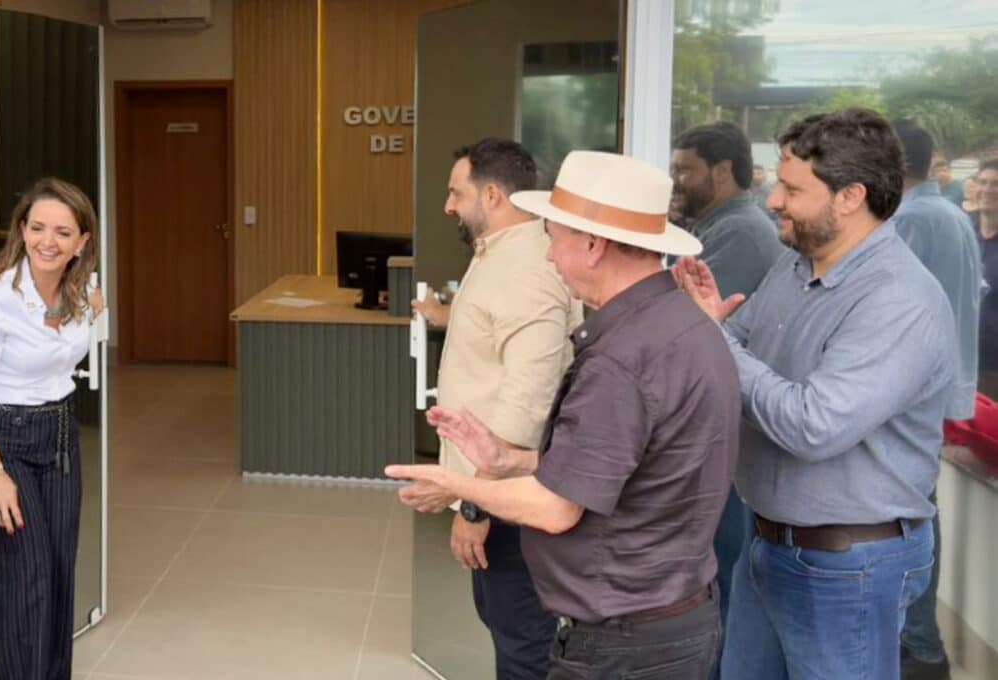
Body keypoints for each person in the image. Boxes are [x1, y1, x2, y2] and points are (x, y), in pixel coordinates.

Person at [391, 150, 740, 680]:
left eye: (554, 237)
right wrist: (508, 460)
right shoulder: (686, 323)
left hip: (625, 645)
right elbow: (624, 465)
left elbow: (557, 510)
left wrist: (457, 486)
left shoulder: (623, 359)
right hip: (673, 622)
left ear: (594, 246)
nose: (550, 256)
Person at [675, 109, 957, 680]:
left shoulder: (898, 300)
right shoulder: (795, 264)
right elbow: (739, 342)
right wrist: (714, 325)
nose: (773, 200)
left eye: (792, 189)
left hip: (847, 570)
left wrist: (714, 340)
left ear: (851, 197)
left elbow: (813, 426)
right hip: (769, 543)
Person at [410, 138, 583, 680]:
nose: (448, 207)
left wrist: (475, 508)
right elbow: (497, 334)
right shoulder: (500, 255)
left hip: (509, 499)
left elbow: (526, 402)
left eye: (456, 194)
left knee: (523, 642)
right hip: (496, 492)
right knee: (507, 624)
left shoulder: (524, 269)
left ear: (492, 195)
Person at [0, 177, 104, 680]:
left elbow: (87, 334)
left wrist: (96, 311)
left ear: (82, 241)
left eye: (63, 232)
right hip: (5, 442)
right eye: (37, 228)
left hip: (61, 437)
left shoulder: (85, 288)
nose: (47, 242)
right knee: (26, 578)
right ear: (22, 230)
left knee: (58, 572)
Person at [669, 122, 785, 670]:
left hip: (728, 434)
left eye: (685, 170)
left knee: (718, 580)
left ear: (721, 171)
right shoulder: (716, 226)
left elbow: (686, 328)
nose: (676, 181)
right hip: (721, 430)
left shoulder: (740, 232)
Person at [891, 121, 982, 680]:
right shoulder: (948, 216)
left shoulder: (915, 220)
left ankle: (920, 645)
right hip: (935, 390)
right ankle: (921, 644)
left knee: (910, 519)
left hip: (910, 396)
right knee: (917, 513)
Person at [978, 159, 998, 398]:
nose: (987, 189)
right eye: (983, 182)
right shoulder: (964, 235)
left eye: (995, 184)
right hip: (963, 362)